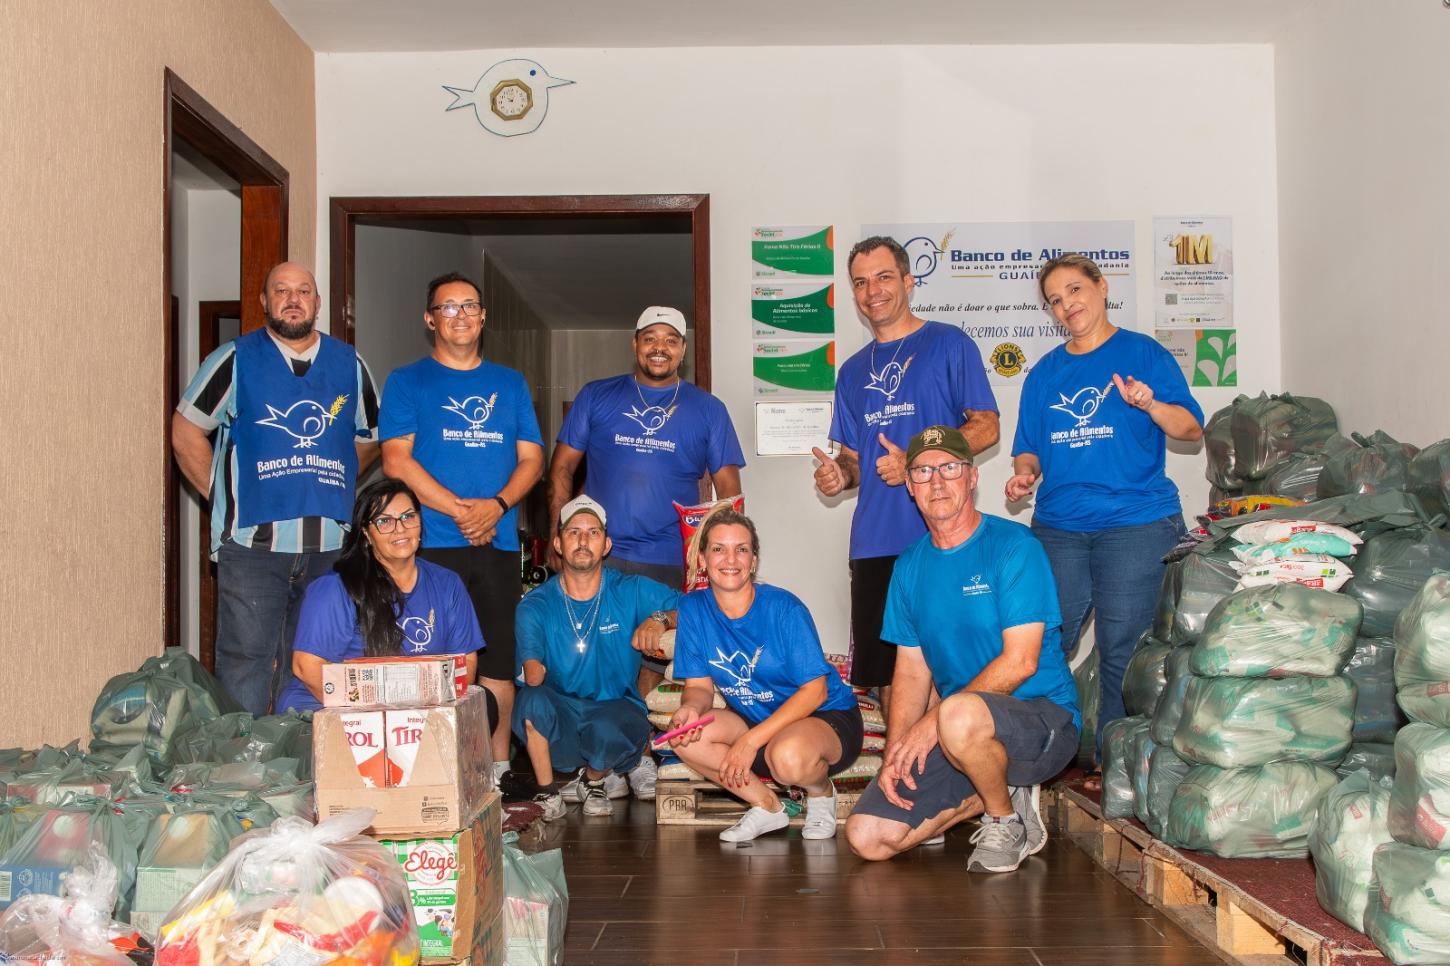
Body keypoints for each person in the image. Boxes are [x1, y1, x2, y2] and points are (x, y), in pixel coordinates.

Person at [846, 425, 1079, 873]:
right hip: (963, 731)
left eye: (950, 468)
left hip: (1042, 718)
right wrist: (896, 754)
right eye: (923, 471)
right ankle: (999, 786)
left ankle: (1005, 820)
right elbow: (912, 672)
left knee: (956, 713)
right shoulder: (910, 565)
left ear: (972, 478)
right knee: (867, 837)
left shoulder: (1014, 547)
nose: (937, 482)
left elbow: (1021, 661)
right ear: (910, 487)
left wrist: (932, 723)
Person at [1005, 253, 1203, 778]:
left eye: (1073, 290)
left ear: (1101, 285)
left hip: (1136, 524)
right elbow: (1028, 449)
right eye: (1054, 300)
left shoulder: (1143, 353)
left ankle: (1115, 771)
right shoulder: (1045, 373)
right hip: (1060, 528)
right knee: (1043, 644)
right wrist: (1025, 474)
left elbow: (1190, 429)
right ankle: (1036, 757)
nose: (1066, 305)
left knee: (1122, 649)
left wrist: (1149, 405)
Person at [546, 305, 747, 794]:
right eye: (650, 338)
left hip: (667, 556)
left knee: (654, 659)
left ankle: (640, 758)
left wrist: (717, 555)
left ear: (682, 348)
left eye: (671, 340)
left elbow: (729, 489)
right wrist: (561, 533)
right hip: (600, 555)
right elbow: (561, 469)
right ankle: (600, 761)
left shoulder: (707, 409)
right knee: (598, 658)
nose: (660, 347)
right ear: (635, 344)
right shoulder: (597, 397)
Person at [172, 262, 380, 715]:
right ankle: (243, 773)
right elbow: (186, 429)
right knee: (244, 662)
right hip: (251, 547)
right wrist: (223, 495)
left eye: (303, 290)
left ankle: (301, 769)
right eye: (281, 290)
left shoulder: (350, 365)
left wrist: (337, 483)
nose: (293, 298)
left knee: (311, 663)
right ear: (264, 301)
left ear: (318, 303)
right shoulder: (234, 359)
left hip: (329, 550)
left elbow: (368, 439)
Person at [812, 236, 998, 716]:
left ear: (909, 282)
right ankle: (903, 778)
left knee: (951, 663)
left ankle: (949, 776)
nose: (872, 290)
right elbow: (854, 460)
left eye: (883, 276)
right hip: (874, 541)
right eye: (860, 281)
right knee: (887, 674)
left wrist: (916, 459)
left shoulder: (948, 344)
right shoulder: (852, 371)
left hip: (944, 536)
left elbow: (986, 426)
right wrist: (839, 476)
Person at [379, 271, 545, 786]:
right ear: (429, 318)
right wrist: (460, 510)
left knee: (496, 662)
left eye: (469, 305)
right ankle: (426, 774)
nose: (460, 315)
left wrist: (495, 507)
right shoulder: (407, 381)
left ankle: (492, 775)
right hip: (431, 549)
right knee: (428, 661)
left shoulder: (509, 383)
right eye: (448, 307)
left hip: (494, 547)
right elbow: (395, 461)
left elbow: (533, 459)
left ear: (484, 316)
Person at [668, 507, 863, 843]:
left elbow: (815, 692)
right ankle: (768, 807)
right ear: (702, 559)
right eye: (718, 549)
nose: (730, 559)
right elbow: (699, 686)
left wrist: (749, 742)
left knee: (786, 757)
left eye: (741, 549)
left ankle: (820, 793)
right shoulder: (692, 609)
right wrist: (691, 709)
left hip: (824, 716)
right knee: (686, 737)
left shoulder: (784, 609)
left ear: (754, 561)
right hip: (756, 720)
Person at [275, 479, 492, 732]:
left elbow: (464, 663)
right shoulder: (336, 588)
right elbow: (306, 666)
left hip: (412, 714)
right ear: (366, 533)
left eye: (408, 517)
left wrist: (436, 721)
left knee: (487, 706)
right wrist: (375, 725)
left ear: (420, 523)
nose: (400, 529)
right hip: (331, 712)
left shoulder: (447, 584)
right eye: (384, 521)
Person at [514, 496, 681, 819]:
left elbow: (695, 607)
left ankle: (591, 781)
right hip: (562, 714)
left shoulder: (628, 588)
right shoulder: (535, 604)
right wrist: (533, 662)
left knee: (618, 723)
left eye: (593, 532)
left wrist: (660, 618)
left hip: (613, 707)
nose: (583, 540)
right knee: (531, 700)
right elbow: (532, 676)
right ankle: (548, 792)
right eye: (574, 531)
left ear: (606, 545)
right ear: (559, 543)